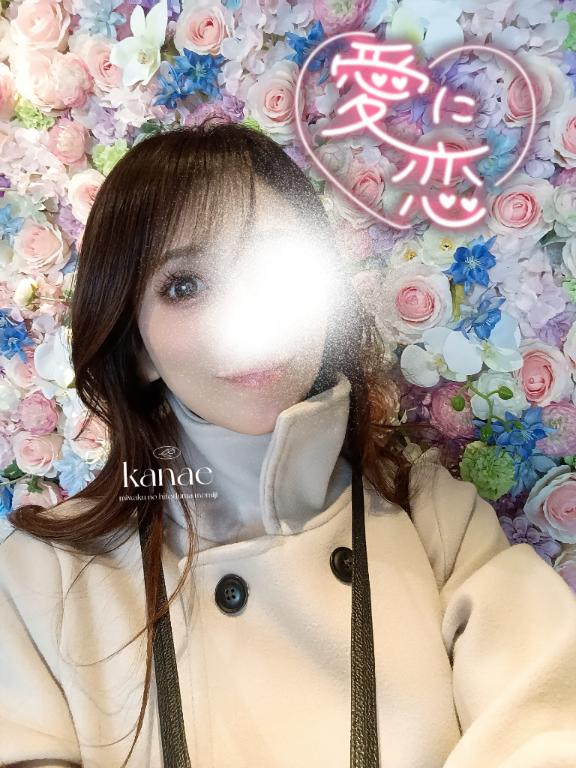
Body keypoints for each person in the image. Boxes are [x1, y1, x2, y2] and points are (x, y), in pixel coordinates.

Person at [0, 122, 575, 768]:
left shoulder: (434, 518)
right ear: (139, 350)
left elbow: (547, 727)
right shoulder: (40, 578)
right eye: (185, 285)